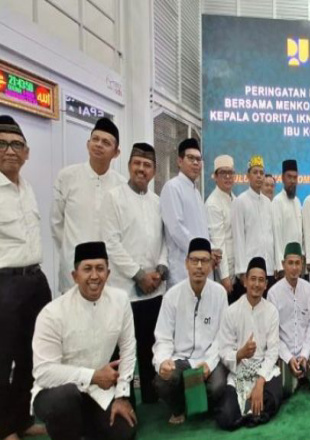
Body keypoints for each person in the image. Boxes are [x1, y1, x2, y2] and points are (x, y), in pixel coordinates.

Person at [32, 242, 136, 440]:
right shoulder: (52, 313)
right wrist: (92, 376)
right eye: (87, 269)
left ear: (108, 273)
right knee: (65, 399)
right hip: (54, 392)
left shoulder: (120, 300)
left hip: (98, 391)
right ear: (75, 276)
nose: (94, 276)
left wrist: (122, 396)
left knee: (124, 432)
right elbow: (44, 373)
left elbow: (128, 348)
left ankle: (85, 428)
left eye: (100, 268)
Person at [100, 143, 167, 405]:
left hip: (154, 289)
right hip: (124, 291)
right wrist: (138, 274)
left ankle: (151, 398)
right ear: (129, 166)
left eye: (147, 165)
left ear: (154, 171)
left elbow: (164, 240)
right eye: (137, 163)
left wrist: (160, 269)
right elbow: (111, 243)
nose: (142, 169)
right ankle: (122, 400)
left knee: (150, 345)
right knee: (122, 349)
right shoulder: (114, 198)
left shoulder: (157, 202)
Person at [0, 115, 52, 440]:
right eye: (3, 144)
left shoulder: (26, 188)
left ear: (27, 153)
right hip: (4, 283)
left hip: (34, 280)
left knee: (32, 354)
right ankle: (4, 427)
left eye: (16, 145)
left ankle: (21, 419)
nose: (10, 151)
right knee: (3, 357)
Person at [152, 238, 228, 424]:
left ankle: (196, 399)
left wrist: (209, 363)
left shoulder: (219, 294)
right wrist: (163, 361)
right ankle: (180, 408)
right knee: (163, 381)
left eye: (204, 261)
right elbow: (163, 337)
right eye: (194, 260)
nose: (199, 266)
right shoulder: (172, 296)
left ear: (211, 265)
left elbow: (222, 337)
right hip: (181, 359)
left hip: (208, 357)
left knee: (217, 387)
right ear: (186, 263)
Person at [51, 117, 126, 292]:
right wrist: (71, 251)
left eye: (106, 142)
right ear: (88, 144)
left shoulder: (122, 185)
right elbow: (57, 223)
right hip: (74, 269)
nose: (99, 145)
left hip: (110, 273)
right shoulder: (67, 177)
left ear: (116, 153)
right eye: (95, 139)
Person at [215, 257, 283, 431]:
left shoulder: (272, 311)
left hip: (263, 371)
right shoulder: (231, 312)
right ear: (245, 281)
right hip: (239, 371)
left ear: (266, 284)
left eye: (261, 280)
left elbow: (273, 351)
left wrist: (260, 381)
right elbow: (223, 350)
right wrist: (241, 354)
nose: (257, 284)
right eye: (253, 279)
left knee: (272, 398)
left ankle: (249, 411)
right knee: (225, 417)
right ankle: (252, 412)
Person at [267, 243, 310, 396]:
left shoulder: (308, 290)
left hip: (304, 349)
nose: (294, 268)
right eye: (290, 263)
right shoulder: (273, 293)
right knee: (285, 388)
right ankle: (295, 372)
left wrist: (304, 355)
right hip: (284, 351)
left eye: (297, 263)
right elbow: (273, 333)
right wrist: (289, 358)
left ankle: (301, 371)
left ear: (302, 265)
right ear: (283, 264)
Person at [159, 138, 211, 288]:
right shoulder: (172, 187)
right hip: (182, 269)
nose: (196, 163)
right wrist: (201, 251)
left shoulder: (196, 192)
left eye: (198, 159)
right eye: (191, 158)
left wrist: (210, 249)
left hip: (200, 265)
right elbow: (176, 228)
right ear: (180, 161)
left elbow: (202, 230)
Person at [232, 155, 275, 287]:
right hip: (249, 270)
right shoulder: (240, 201)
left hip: (268, 268)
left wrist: (275, 265)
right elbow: (238, 237)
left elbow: (271, 235)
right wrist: (242, 270)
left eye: (261, 173)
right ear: (248, 176)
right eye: (255, 172)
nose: (259, 176)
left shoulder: (268, 203)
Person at [206, 155, 237, 298]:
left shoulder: (235, 199)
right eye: (223, 173)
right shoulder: (213, 203)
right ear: (215, 177)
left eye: (230, 172)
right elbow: (218, 242)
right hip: (225, 275)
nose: (228, 177)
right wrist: (224, 277)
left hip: (237, 270)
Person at [272, 160, 303, 274]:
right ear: (282, 178)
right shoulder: (277, 201)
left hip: (297, 263)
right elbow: (277, 235)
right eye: (289, 177)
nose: (292, 181)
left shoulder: (298, 202)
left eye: (295, 177)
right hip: (285, 264)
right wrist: (280, 266)